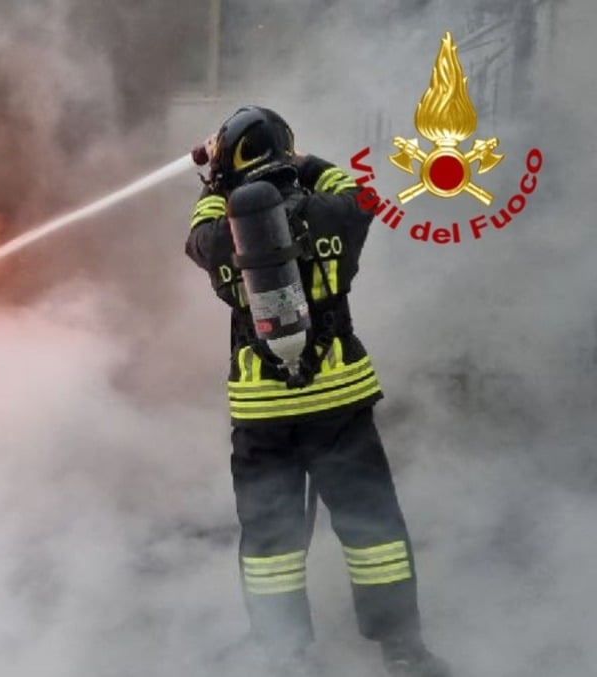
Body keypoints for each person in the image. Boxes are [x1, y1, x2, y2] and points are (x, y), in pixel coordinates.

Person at [185, 105, 451, 677]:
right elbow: (361, 195)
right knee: (372, 529)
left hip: (263, 414)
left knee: (270, 544)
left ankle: (285, 656)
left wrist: (214, 181)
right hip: (338, 401)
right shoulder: (333, 214)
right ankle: (403, 651)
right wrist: (305, 163)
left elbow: (198, 237)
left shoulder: (222, 235)